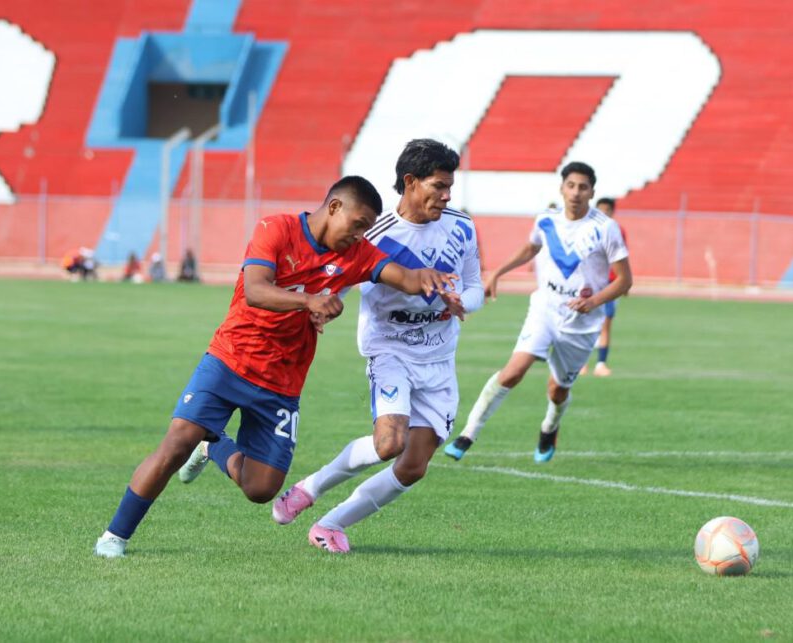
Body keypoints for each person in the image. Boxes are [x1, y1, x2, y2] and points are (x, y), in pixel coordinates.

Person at [93, 175, 460, 558]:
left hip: (283, 382)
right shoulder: (277, 229)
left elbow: (400, 276)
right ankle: (115, 536)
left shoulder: (357, 254)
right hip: (231, 359)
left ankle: (213, 444)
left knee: (261, 488)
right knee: (176, 443)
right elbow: (256, 289)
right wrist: (310, 302)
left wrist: (428, 281)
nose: (360, 235)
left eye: (367, 229)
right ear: (334, 207)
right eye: (358, 225)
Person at [269, 139, 485, 553]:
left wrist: (462, 302)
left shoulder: (462, 226)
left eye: (449, 186)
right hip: (391, 350)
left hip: (439, 358)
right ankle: (307, 489)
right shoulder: (376, 235)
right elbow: (339, 282)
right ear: (410, 182)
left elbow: (475, 285)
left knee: (414, 466)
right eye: (439, 186)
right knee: (389, 443)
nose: (447, 195)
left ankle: (330, 525)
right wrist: (320, 310)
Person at [444, 162, 631, 463]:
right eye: (571, 185)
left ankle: (549, 427)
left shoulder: (605, 229)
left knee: (558, 390)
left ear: (592, 192)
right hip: (545, 308)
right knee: (514, 370)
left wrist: (593, 302)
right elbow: (530, 248)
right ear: (562, 188)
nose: (576, 192)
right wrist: (498, 273)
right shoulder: (546, 221)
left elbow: (625, 280)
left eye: (583, 187)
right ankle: (468, 433)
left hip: (581, 321)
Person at [580, 197, 626, 377]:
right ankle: (581, 363)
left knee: (605, 324)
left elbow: (622, 259)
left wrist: (623, 283)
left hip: (610, 286)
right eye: (601, 210)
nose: (604, 213)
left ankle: (601, 363)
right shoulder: (586, 230)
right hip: (590, 285)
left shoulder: (616, 230)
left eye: (607, 210)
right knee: (584, 324)